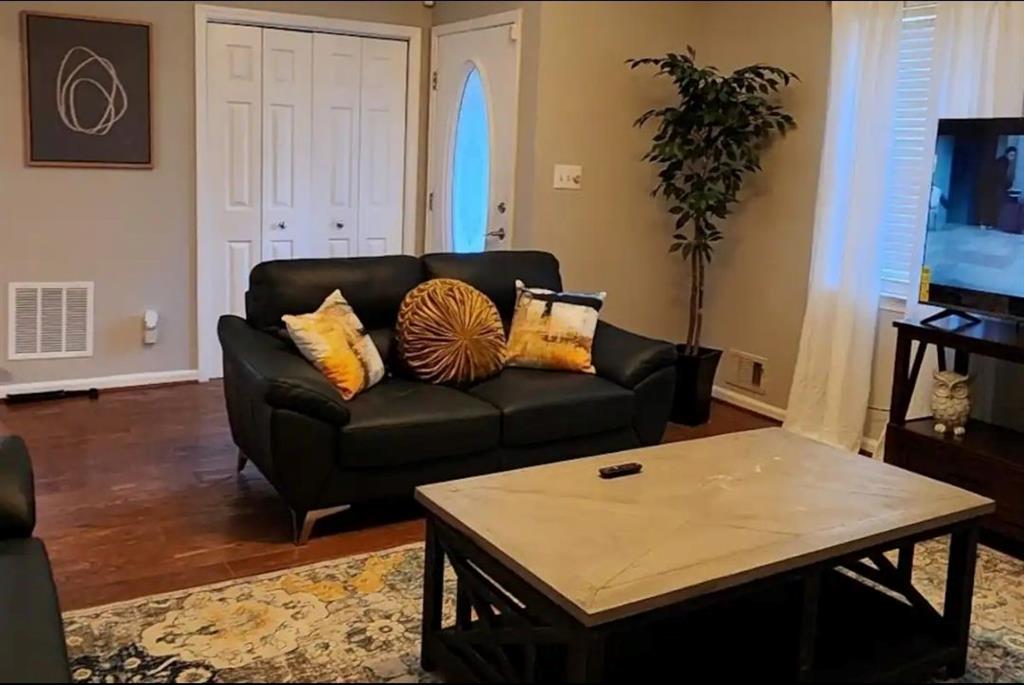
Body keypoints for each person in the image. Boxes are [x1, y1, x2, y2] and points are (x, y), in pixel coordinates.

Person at [976, 146, 1016, 229]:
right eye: (1011, 155)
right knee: (992, 204)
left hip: (989, 186)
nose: (1012, 157)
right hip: (992, 187)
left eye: (1013, 155)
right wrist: (1008, 186)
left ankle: (986, 223)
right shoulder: (1004, 162)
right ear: (1007, 154)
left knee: (989, 204)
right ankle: (987, 223)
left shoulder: (1001, 161)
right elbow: (1001, 176)